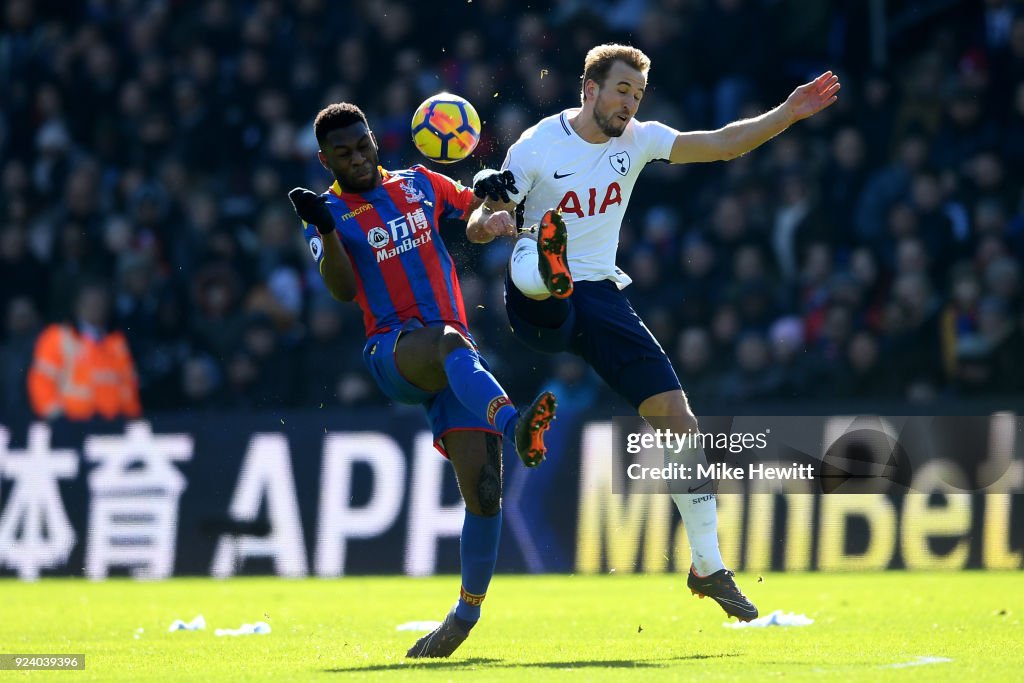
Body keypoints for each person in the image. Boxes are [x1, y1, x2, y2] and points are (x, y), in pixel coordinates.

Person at [468, 44, 841, 622]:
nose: (630, 103)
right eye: (621, 90)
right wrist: (489, 220)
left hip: (601, 296)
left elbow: (720, 144)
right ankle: (546, 265)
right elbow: (478, 220)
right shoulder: (537, 145)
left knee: (678, 420)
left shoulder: (638, 140)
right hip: (534, 302)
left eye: (637, 95)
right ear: (588, 88)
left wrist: (786, 113)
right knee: (540, 268)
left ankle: (708, 568)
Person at [288, 102, 557, 658]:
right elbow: (340, 289)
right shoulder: (329, 213)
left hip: (455, 364)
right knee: (450, 342)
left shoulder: (420, 183)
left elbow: (474, 223)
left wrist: (497, 211)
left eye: (362, 145)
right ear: (325, 159)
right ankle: (517, 422)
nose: (358, 158)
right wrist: (324, 230)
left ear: (372, 139)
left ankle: (462, 618)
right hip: (393, 351)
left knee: (484, 494)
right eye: (344, 153)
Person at [27, 280, 142, 421]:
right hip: (71, 426)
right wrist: (57, 419)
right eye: (90, 301)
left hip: (112, 427)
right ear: (77, 304)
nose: (95, 307)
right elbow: (41, 382)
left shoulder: (116, 343)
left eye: (100, 302)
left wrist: (132, 419)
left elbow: (129, 387)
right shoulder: (57, 337)